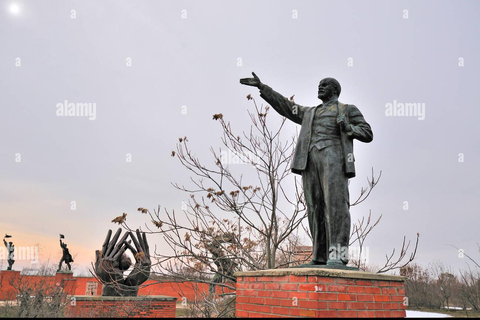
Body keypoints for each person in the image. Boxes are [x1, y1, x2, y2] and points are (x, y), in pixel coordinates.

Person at [240, 73, 373, 267]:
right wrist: (263, 88)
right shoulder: (309, 113)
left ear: (335, 90)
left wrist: (349, 127)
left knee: (336, 207)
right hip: (309, 161)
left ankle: (339, 256)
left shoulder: (347, 109)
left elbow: (368, 132)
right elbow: (285, 106)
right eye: (319, 84)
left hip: (334, 158)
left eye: (324, 85)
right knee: (314, 207)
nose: (320, 87)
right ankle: (319, 256)